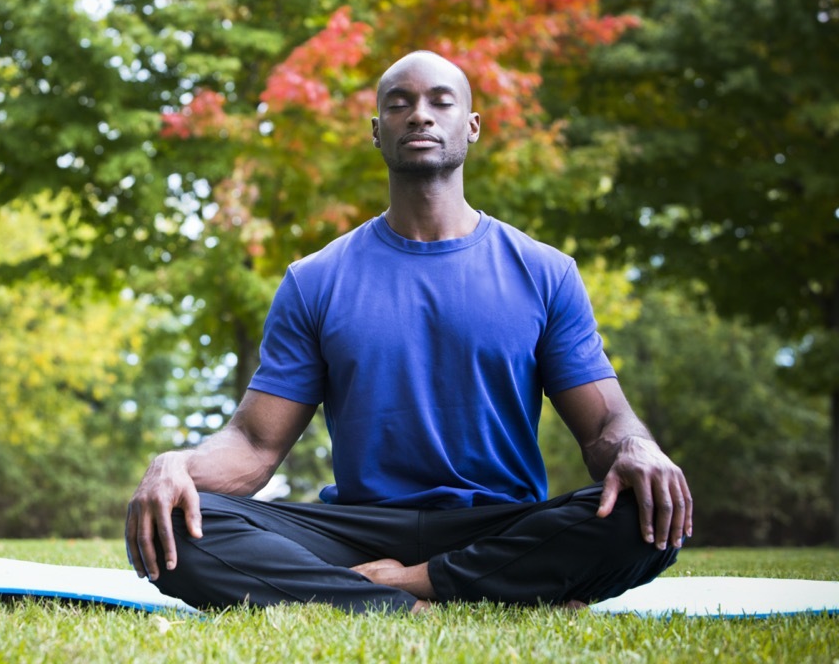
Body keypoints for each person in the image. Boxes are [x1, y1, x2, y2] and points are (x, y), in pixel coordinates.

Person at [125, 50, 691, 613]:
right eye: (400, 104)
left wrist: (638, 448)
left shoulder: (545, 272)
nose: (420, 115)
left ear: (471, 127)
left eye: (440, 102)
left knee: (644, 509)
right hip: (357, 529)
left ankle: (406, 586)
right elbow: (253, 445)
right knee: (175, 523)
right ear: (377, 131)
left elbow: (603, 429)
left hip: (499, 523)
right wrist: (178, 465)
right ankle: (465, 594)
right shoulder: (315, 279)